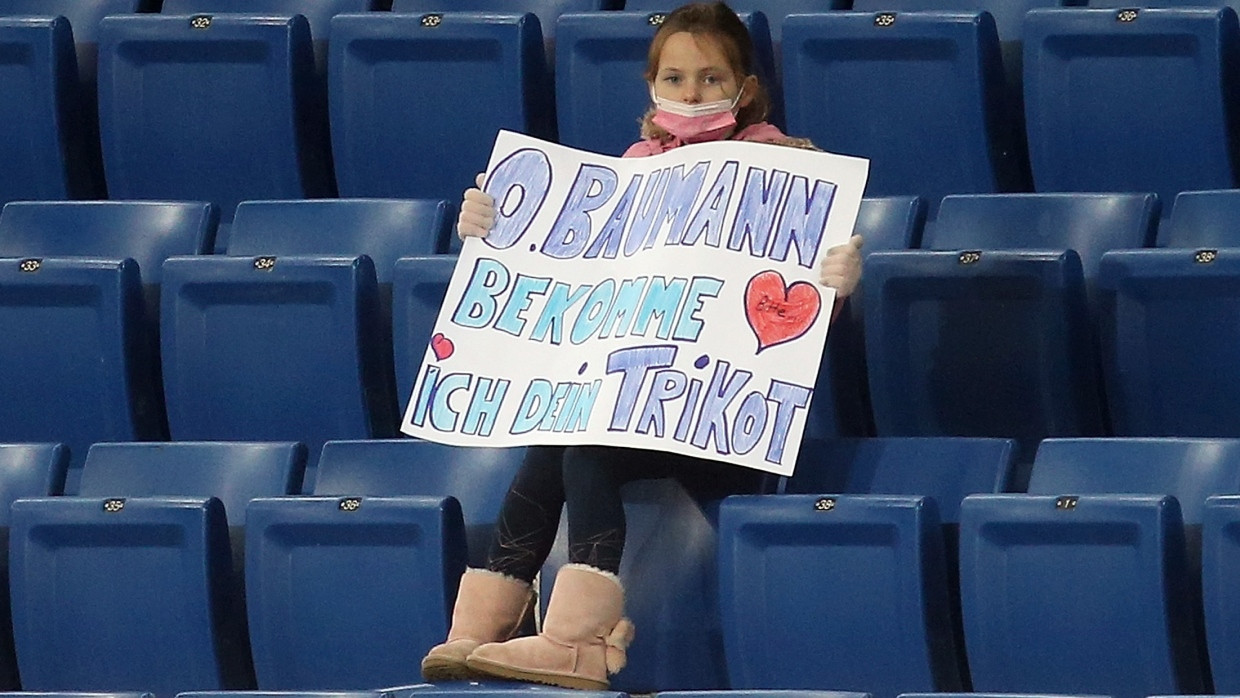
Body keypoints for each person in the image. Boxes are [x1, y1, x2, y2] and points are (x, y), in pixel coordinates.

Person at [420, 1, 865, 690]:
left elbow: (796, 320)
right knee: (553, 438)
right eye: (677, 78)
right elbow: (583, 276)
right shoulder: (635, 169)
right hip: (641, 397)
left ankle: (577, 641)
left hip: (722, 420)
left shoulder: (788, 170)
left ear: (745, 87)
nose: (692, 94)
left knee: (589, 449)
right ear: (653, 85)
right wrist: (490, 229)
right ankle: (481, 629)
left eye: (712, 79)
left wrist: (837, 285)